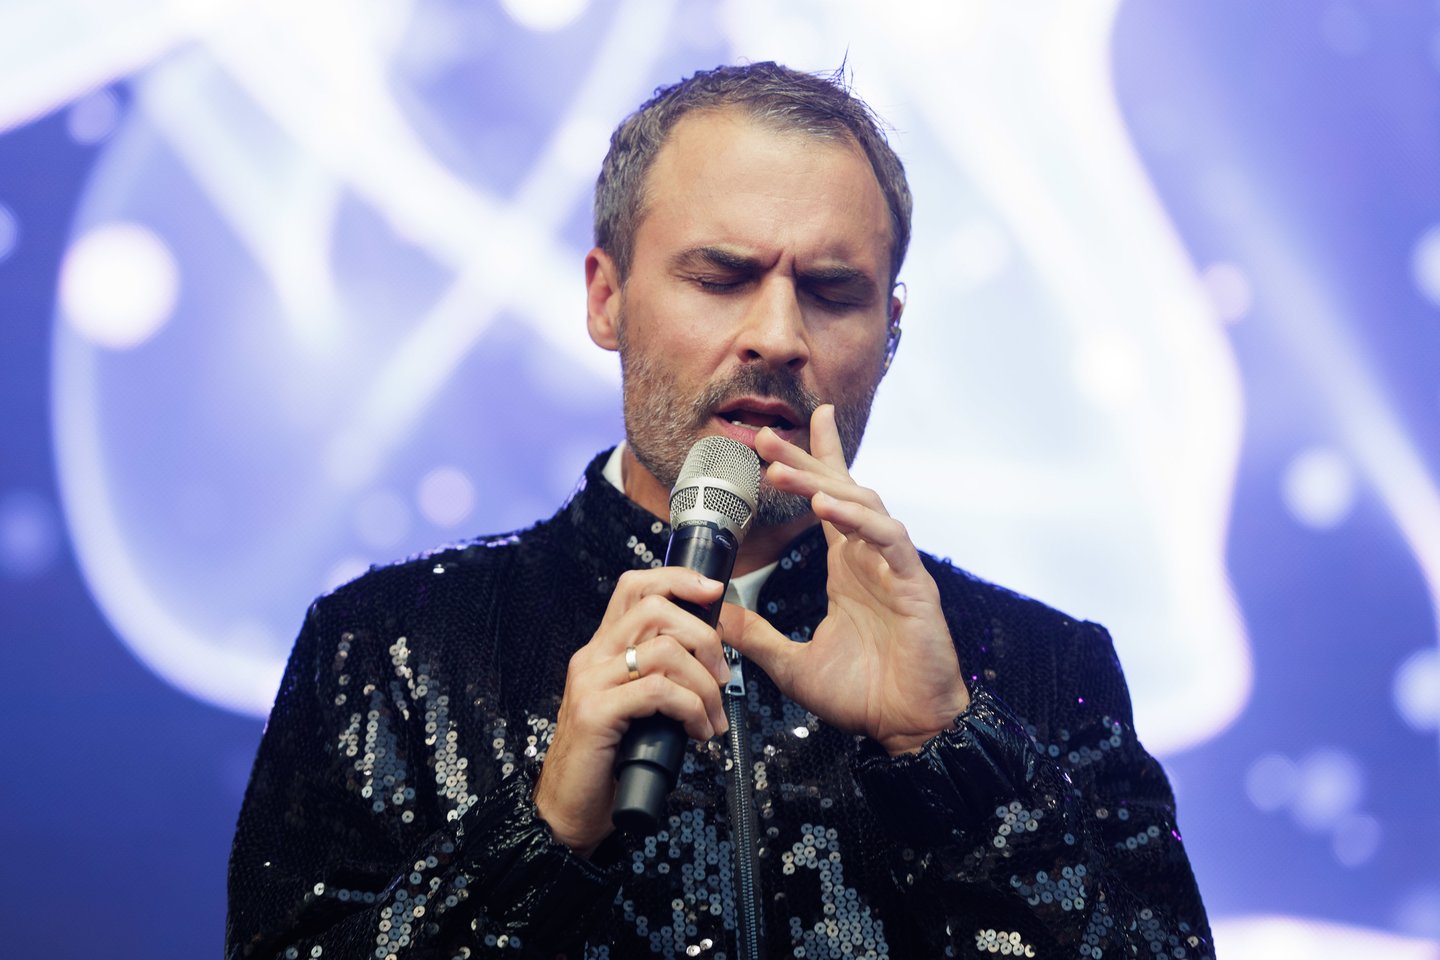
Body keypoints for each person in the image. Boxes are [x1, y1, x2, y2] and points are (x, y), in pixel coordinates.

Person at [226, 62, 1214, 960]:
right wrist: (543, 832)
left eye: (832, 292)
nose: (776, 336)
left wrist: (950, 761)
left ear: (890, 333)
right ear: (606, 297)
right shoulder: (391, 651)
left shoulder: (1042, 668)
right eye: (720, 277)